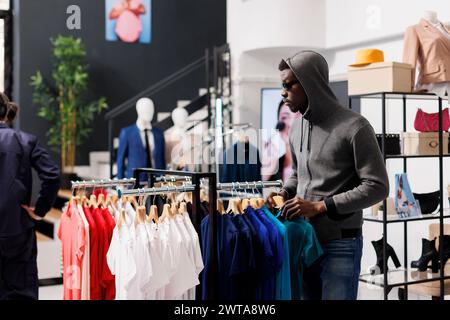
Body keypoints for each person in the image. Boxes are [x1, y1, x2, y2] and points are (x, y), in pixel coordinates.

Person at [267, 51, 389, 300]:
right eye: (282, 85)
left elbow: (377, 186)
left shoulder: (355, 127)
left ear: (311, 83)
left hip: (340, 244)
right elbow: (297, 174)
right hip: (304, 238)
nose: (283, 92)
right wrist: (285, 192)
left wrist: (321, 206)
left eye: (290, 84)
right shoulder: (297, 127)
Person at [0, 93, 60, 300]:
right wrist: (40, 210)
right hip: (17, 229)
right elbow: (52, 175)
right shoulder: (25, 140)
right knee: (21, 292)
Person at [262, 100, 301, 182]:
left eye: (297, 117)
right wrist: (265, 175)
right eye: (285, 117)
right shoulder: (273, 168)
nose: (290, 124)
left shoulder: (315, 167)